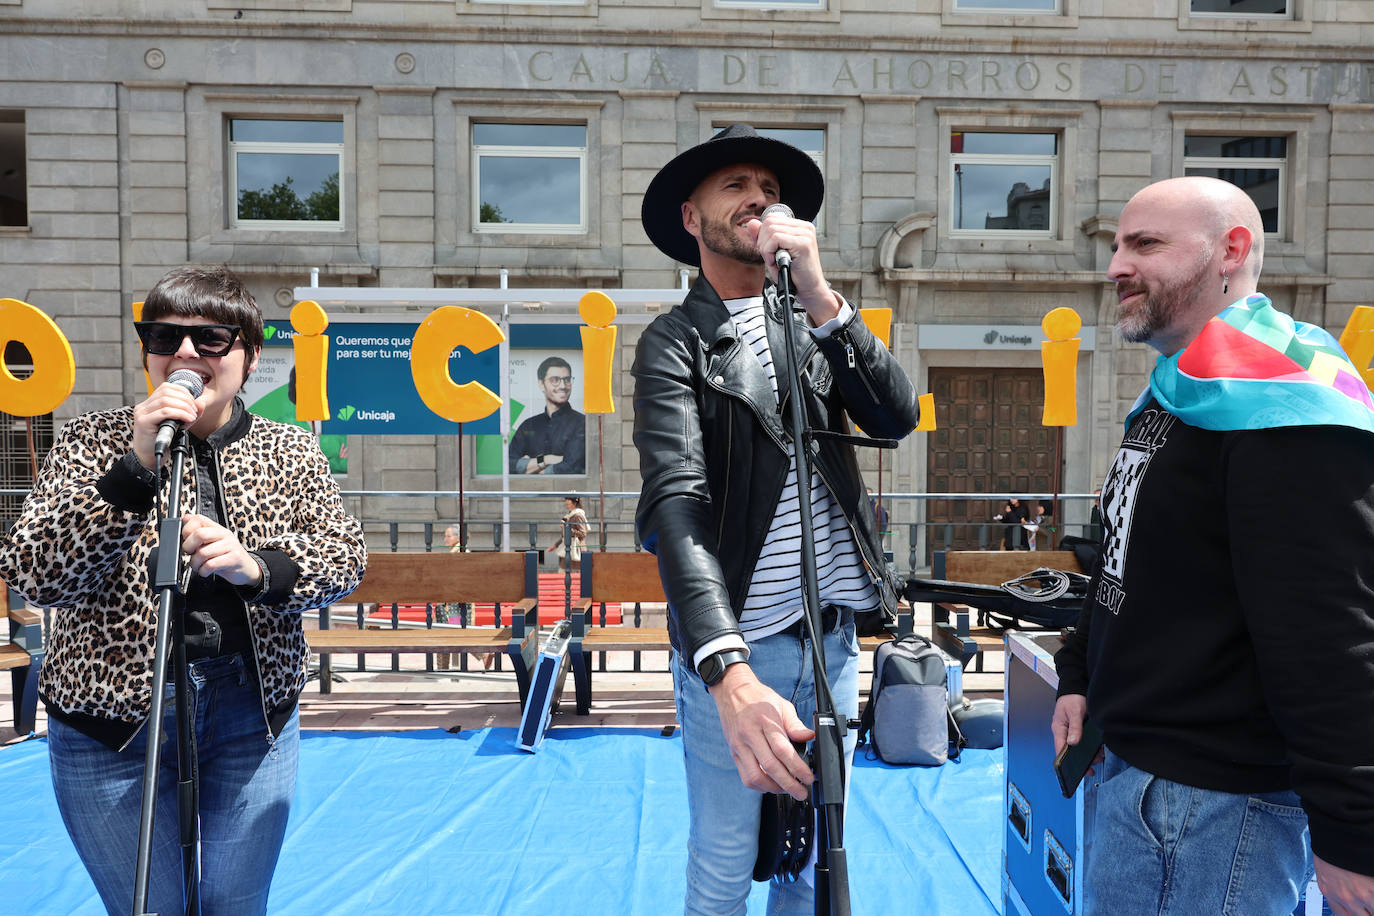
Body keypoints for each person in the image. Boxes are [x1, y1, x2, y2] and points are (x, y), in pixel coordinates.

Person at [1050, 176, 1374, 915]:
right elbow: (1122, 560)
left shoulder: (1287, 408)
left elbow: (1327, 631)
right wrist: (1079, 672)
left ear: (1231, 250)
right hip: (1139, 779)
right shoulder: (1180, 389)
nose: (1115, 267)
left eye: (1145, 244)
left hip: (1217, 813)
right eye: (1117, 245)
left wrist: (1353, 830)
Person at [0, 266, 368, 915]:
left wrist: (257, 567)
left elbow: (344, 557)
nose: (187, 354)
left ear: (249, 355)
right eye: (165, 336)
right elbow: (35, 573)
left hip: (249, 718)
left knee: (234, 903)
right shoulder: (93, 440)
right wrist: (134, 471)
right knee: (149, 906)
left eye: (212, 339)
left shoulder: (291, 451)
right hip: (109, 726)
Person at [632, 123, 919, 914]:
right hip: (745, 655)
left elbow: (896, 418)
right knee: (726, 865)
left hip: (831, 645)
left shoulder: (813, 326)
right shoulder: (675, 343)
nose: (760, 197)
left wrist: (824, 298)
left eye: (768, 186)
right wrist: (726, 672)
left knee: (809, 866)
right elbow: (676, 508)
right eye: (736, 186)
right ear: (692, 219)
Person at [508, 356, 586, 475]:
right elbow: (510, 465)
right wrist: (547, 459)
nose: (563, 386)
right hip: (530, 493)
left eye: (567, 379)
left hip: (567, 493)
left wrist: (532, 467)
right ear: (541, 384)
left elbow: (571, 467)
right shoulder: (529, 425)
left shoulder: (582, 423)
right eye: (555, 380)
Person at [546, 496, 588, 572]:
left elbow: (583, 533)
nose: (566, 502)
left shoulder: (578, 515)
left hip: (577, 549)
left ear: (574, 502)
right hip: (569, 549)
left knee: (577, 576)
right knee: (564, 573)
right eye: (566, 500)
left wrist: (567, 527)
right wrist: (555, 545)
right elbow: (564, 536)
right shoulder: (569, 515)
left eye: (568, 501)